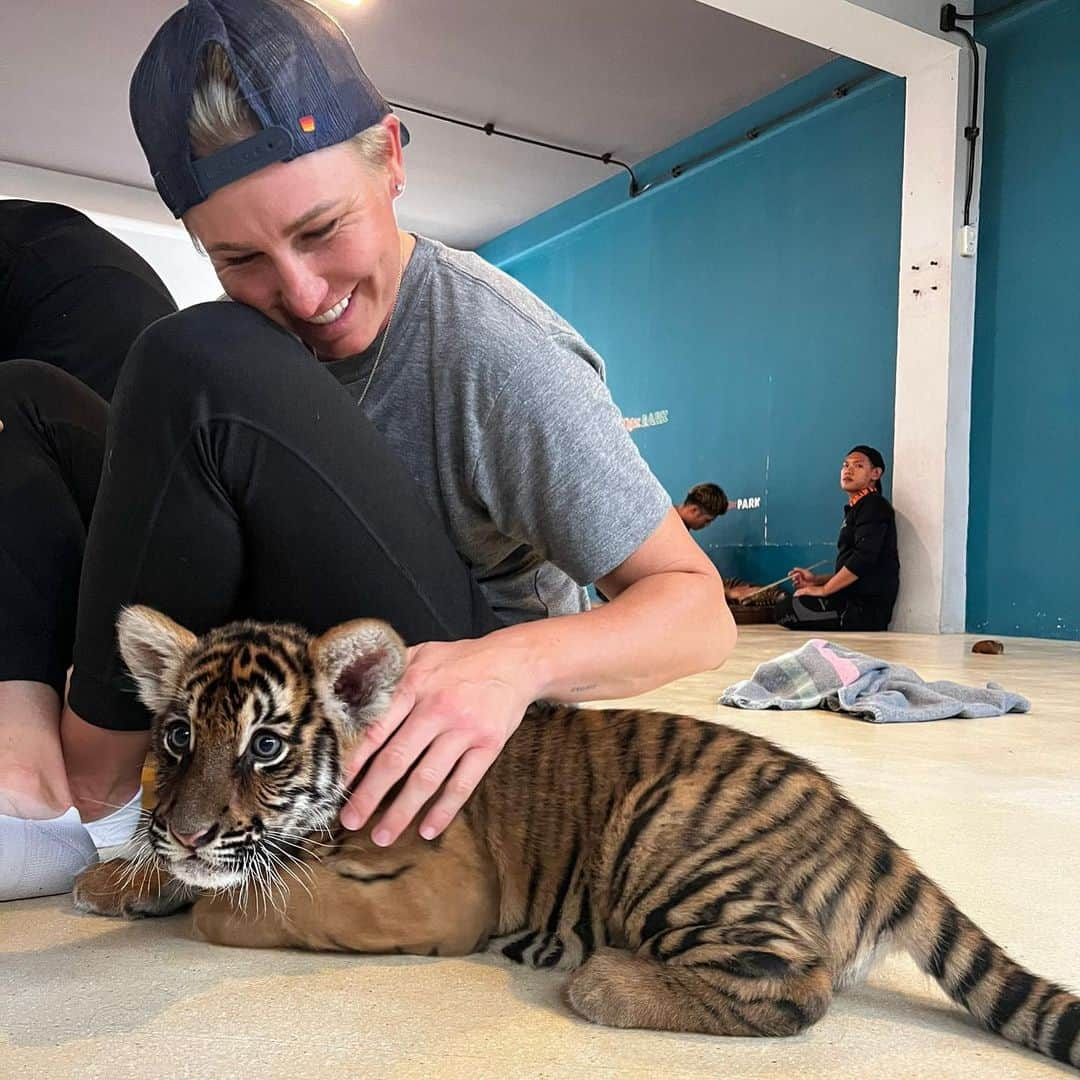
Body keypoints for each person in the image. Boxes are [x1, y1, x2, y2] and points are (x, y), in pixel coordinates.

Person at [0, 0, 735, 901]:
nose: (302, 295)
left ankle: (102, 796)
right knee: (23, 397)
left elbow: (699, 610)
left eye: (320, 230)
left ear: (390, 158)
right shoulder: (262, 346)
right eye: (241, 260)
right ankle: (26, 774)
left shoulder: (497, 351)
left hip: (426, 704)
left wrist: (514, 664)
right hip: (278, 691)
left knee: (192, 355)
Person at [0, 201, 178, 899]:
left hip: (131, 552)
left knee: (14, 402)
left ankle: (29, 788)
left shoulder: (57, 271)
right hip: (92, 533)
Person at [774, 445, 900, 632]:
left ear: (875, 473)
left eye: (858, 466)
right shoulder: (858, 508)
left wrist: (824, 590)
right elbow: (854, 570)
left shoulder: (874, 505)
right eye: (845, 465)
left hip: (863, 609)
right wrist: (817, 581)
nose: (848, 470)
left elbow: (863, 560)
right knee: (792, 602)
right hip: (851, 600)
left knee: (788, 609)